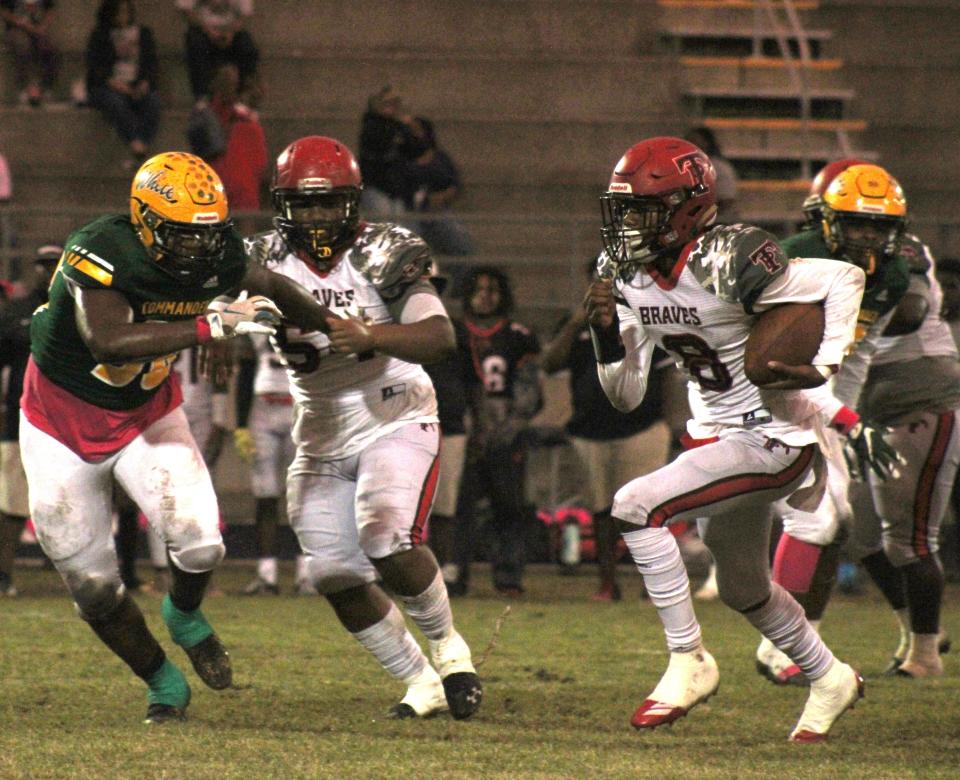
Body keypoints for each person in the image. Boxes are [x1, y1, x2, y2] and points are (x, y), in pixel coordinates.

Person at [19, 150, 342, 723]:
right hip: (60, 423)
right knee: (92, 587)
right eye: (181, 234)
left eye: (206, 233)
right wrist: (210, 324)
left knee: (200, 542)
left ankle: (184, 614)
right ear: (143, 220)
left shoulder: (216, 249)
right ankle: (162, 680)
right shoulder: (101, 248)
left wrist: (334, 328)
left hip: (146, 412)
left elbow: (266, 284)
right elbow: (108, 342)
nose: (198, 248)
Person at [586, 136, 866, 741]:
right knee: (743, 587)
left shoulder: (731, 254)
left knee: (636, 505)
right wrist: (607, 336)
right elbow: (625, 395)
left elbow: (843, 275)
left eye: (641, 210)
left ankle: (689, 658)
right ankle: (829, 676)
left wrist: (828, 362)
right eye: (623, 210)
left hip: (775, 436)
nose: (627, 226)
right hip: (722, 438)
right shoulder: (623, 271)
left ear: (687, 207)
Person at [245, 135, 483, 719]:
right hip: (320, 429)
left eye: (330, 204)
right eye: (305, 204)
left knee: (384, 536)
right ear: (283, 205)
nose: (319, 217)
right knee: (330, 571)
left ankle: (451, 651)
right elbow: (221, 305)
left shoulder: (384, 250)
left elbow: (440, 337)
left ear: (354, 203)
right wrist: (218, 331)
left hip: (393, 412)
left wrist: (374, 335)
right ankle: (418, 680)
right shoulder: (263, 258)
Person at [753, 162, 915, 685]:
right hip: (763, 392)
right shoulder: (795, 255)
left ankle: (793, 642)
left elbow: (859, 348)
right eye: (857, 223)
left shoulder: (891, 275)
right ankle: (780, 644)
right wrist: (839, 415)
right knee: (816, 519)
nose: (868, 235)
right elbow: (765, 344)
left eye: (879, 226)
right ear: (826, 220)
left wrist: (842, 414)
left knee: (832, 520)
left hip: (816, 397)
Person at [540, 258, 670, 601]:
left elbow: (667, 376)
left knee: (646, 511)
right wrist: (574, 324)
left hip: (640, 427)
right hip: (590, 429)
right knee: (602, 512)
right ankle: (607, 582)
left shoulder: (644, 321)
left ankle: (653, 583)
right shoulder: (579, 323)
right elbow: (550, 364)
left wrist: (669, 423)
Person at [449, 266, 542, 597]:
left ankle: (508, 577)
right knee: (460, 508)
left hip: (506, 428)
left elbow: (531, 391)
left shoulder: (517, 335)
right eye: (479, 289)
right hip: (464, 427)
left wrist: (508, 427)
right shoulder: (454, 332)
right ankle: (454, 574)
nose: (485, 296)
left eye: (492, 289)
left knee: (509, 507)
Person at [0, 242, 61, 596]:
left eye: (54, 264)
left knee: (70, 497)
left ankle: (78, 572)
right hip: (21, 416)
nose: (47, 271)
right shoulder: (19, 310)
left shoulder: (76, 307)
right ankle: (4, 574)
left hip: (66, 420)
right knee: (11, 502)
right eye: (42, 264)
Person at [357, 85, 472, 255]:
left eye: (394, 102)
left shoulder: (430, 152)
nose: (391, 106)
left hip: (421, 202)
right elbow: (382, 160)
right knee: (397, 225)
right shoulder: (375, 130)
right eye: (385, 102)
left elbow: (447, 180)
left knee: (456, 237)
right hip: (392, 194)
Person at [234, 333, 307, 595]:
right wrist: (241, 423)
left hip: (300, 408)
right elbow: (245, 369)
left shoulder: (305, 310)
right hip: (262, 410)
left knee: (302, 496)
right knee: (265, 495)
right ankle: (267, 576)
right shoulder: (255, 317)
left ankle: (306, 574)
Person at [420, 263, 471, 588]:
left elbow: (472, 381)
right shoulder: (390, 327)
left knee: (445, 503)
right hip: (403, 421)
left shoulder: (452, 329)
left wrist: (473, 422)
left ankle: (445, 569)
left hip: (448, 422)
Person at [187, 62, 267, 232]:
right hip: (238, 185)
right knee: (246, 239)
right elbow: (260, 161)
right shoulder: (247, 121)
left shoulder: (203, 116)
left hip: (216, 183)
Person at [85, 0, 161, 168]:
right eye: (119, 12)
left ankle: (142, 143)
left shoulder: (143, 33)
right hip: (109, 86)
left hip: (137, 84)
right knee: (115, 103)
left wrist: (145, 83)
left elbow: (151, 63)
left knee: (153, 102)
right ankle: (135, 141)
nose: (123, 16)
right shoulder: (100, 35)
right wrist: (115, 84)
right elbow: (95, 68)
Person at [176, 0, 259, 102]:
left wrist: (230, 33)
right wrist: (208, 30)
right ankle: (202, 96)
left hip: (231, 30)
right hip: (202, 29)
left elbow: (244, 14)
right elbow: (186, 10)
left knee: (246, 47)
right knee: (195, 43)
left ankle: (243, 95)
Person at [1, 0, 59, 107]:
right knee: (23, 45)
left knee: (50, 46)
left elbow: (50, 10)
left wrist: (43, 26)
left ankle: (46, 87)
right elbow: (4, 11)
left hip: (38, 28)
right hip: (15, 29)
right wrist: (22, 23)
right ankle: (23, 87)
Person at [684, 126, 739, 224]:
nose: (690, 145)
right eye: (688, 141)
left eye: (694, 141)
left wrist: (700, 217)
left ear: (707, 143)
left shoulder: (720, 167)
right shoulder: (685, 168)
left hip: (718, 223)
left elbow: (726, 201)